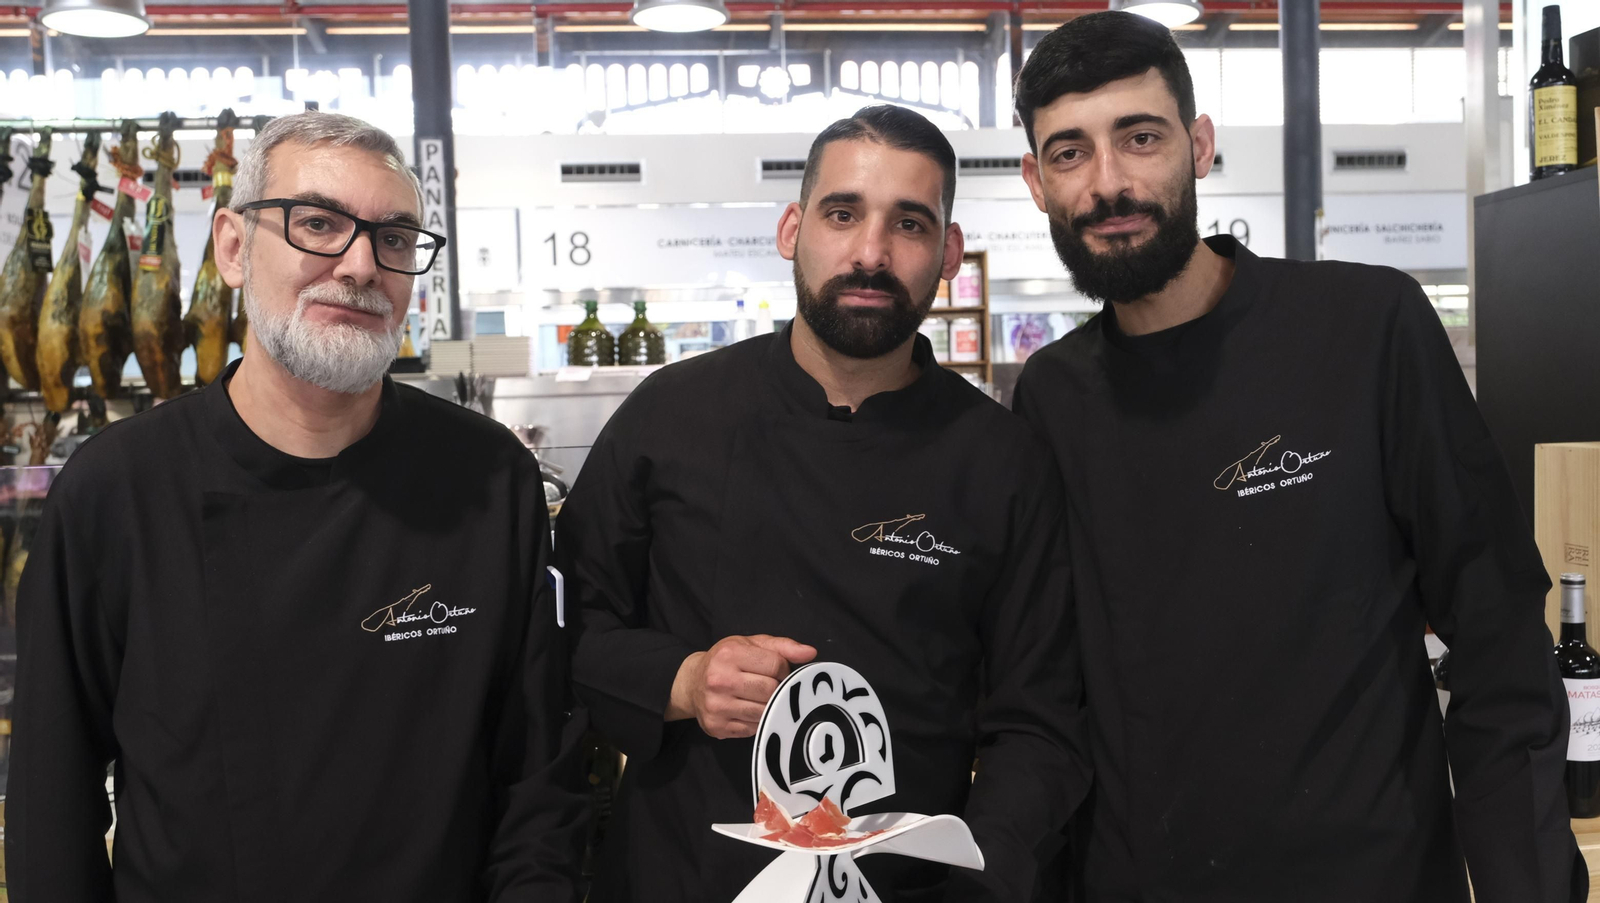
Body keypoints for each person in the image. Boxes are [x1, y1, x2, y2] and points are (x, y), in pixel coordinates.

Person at [1009, 12, 1584, 903]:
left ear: (1199, 146)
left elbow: (1496, 627)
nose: (1108, 184)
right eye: (1069, 153)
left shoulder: (1365, 328)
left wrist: (1531, 883)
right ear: (1036, 182)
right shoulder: (1050, 397)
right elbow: (1048, 689)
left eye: (1141, 137)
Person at [5, 111, 588, 902]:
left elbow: (536, 777)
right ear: (234, 248)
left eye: (394, 238)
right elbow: (52, 805)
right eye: (317, 222)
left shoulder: (490, 481)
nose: (358, 264)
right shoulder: (117, 492)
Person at [556, 104, 1090, 902]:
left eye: (909, 224)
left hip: (912, 886)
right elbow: (564, 636)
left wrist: (986, 872)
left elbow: (1040, 719)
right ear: (791, 229)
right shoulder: (669, 417)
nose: (871, 253)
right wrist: (685, 678)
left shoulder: (1002, 459)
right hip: (684, 874)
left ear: (948, 253)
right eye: (843, 214)